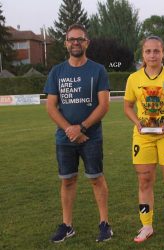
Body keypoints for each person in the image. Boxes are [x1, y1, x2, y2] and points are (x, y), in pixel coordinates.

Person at [44, 24, 112, 243]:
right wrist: (70, 130)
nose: (75, 42)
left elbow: (103, 106)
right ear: (66, 43)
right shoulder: (57, 71)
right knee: (67, 181)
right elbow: (51, 106)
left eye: (80, 39)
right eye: (71, 39)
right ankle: (67, 225)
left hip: (91, 137)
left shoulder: (98, 70)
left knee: (96, 179)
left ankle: (104, 224)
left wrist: (81, 128)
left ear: (86, 43)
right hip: (65, 138)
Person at [124, 36, 164, 243]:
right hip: (143, 138)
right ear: (142, 54)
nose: (152, 55)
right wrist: (137, 122)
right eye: (148, 51)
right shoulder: (133, 79)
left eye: (156, 51)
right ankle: (146, 226)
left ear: (163, 53)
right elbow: (127, 106)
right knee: (144, 181)